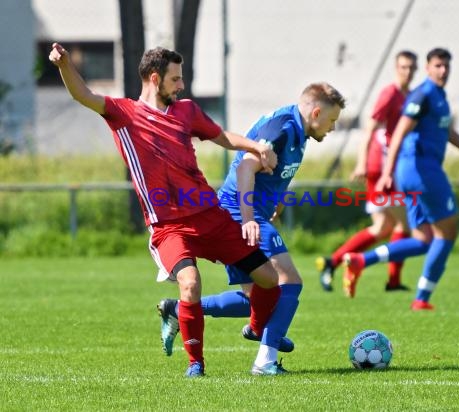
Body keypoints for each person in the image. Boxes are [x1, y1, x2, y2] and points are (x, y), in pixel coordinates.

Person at [49, 43, 286, 378]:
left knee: (269, 279)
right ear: (155, 77)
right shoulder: (123, 114)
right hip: (169, 226)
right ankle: (196, 365)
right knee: (190, 284)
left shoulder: (187, 111)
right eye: (176, 79)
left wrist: (257, 146)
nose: (181, 85)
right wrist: (64, 65)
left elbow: (223, 138)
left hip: (210, 216)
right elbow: (82, 94)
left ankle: (257, 329)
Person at [157, 83, 346, 374]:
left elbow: (275, 173)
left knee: (255, 300)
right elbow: (246, 168)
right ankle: (265, 360)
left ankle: (177, 309)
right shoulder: (282, 129)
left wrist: (278, 202)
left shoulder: (300, 131)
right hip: (239, 211)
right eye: (332, 120)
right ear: (316, 112)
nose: (333, 128)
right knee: (289, 281)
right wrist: (248, 219)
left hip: (249, 211)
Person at [342, 48, 459, 309]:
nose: (443, 71)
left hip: (413, 174)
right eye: (438, 66)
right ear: (427, 68)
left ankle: (362, 261)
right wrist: (386, 173)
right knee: (447, 233)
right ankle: (422, 299)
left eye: (446, 66)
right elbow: (399, 133)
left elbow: (450, 134)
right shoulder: (423, 94)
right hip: (422, 171)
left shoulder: (439, 96)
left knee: (423, 239)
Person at [316, 50, 418, 296]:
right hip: (381, 169)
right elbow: (370, 127)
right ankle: (392, 279)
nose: (408, 71)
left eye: (412, 67)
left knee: (383, 227)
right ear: (396, 68)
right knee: (406, 225)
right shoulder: (390, 94)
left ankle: (334, 261)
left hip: (390, 168)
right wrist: (362, 162)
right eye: (403, 67)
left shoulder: (410, 95)